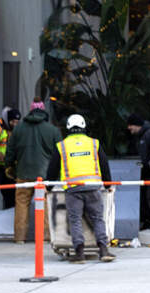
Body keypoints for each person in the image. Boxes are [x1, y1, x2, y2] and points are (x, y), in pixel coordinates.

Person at [47, 113, 114, 263]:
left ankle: (79, 253)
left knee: (75, 220)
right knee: (98, 218)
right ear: (84, 126)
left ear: (68, 128)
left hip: (73, 189)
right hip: (93, 187)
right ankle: (103, 251)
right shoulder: (94, 144)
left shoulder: (62, 145)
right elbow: (104, 165)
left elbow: (52, 169)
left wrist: (49, 187)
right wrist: (108, 185)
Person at [5, 100, 63, 242]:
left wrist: (9, 166)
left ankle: (19, 238)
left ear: (30, 111)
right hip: (44, 176)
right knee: (43, 205)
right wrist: (57, 175)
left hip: (23, 174)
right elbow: (60, 154)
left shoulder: (18, 129)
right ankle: (45, 237)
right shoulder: (53, 130)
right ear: (44, 112)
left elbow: (10, 151)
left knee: (21, 205)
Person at [125, 114, 150, 232]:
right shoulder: (143, 136)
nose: (129, 128)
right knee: (146, 197)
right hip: (149, 172)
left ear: (137, 125)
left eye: (130, 125)